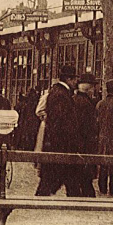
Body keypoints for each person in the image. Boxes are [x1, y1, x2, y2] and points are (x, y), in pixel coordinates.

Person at [35, 65, 80, 196]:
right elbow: (61, 122)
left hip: (58, 145)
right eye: (74, 79)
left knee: (62, 180)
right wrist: (70, 141)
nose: (76, 82)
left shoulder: (57, 92)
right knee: (54, 180)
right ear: (68, 79)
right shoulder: (61, 95)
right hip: (60, 146)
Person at [73, 73, 99, 197]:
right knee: (84, 177)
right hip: (84, 145)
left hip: (80, 144)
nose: (94, 89)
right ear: (87, 87)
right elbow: (86, 127)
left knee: (82, 178)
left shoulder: (77, 100)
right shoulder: (84, 103)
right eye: (93, 86)